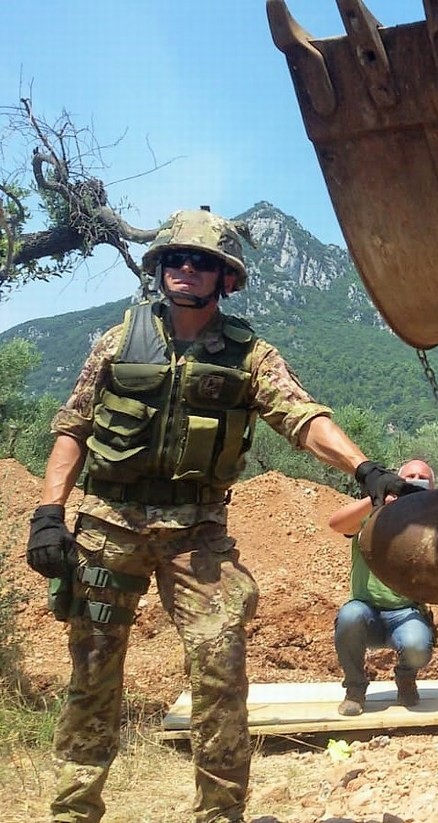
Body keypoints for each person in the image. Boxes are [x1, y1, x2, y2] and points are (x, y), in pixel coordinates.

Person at [23, 208, 414, 823]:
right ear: (159, 268)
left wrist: (365, 469)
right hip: (107, 527)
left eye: (202, 261)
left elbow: (301, 417)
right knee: (93, 673)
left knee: (219, 669)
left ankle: (219, 814)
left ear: (224, 278)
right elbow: (72, 427)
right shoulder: (117, 342)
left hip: (197, 534)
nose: (186, 268)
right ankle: (74, 811)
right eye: (176, 258)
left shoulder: (249, 355)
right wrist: (48, 512)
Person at [327, 458, 438, 716]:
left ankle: (406, 679)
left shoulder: (434, 524)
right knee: (350, 615)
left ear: (432, 489)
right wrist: (377, 498)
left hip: (407, 612)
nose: (414, 481)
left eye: (422, 478)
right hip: (366, 612)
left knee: (418, 645)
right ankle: (355, 689)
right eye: (408, 477)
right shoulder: (372, 513)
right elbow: (336, 524)